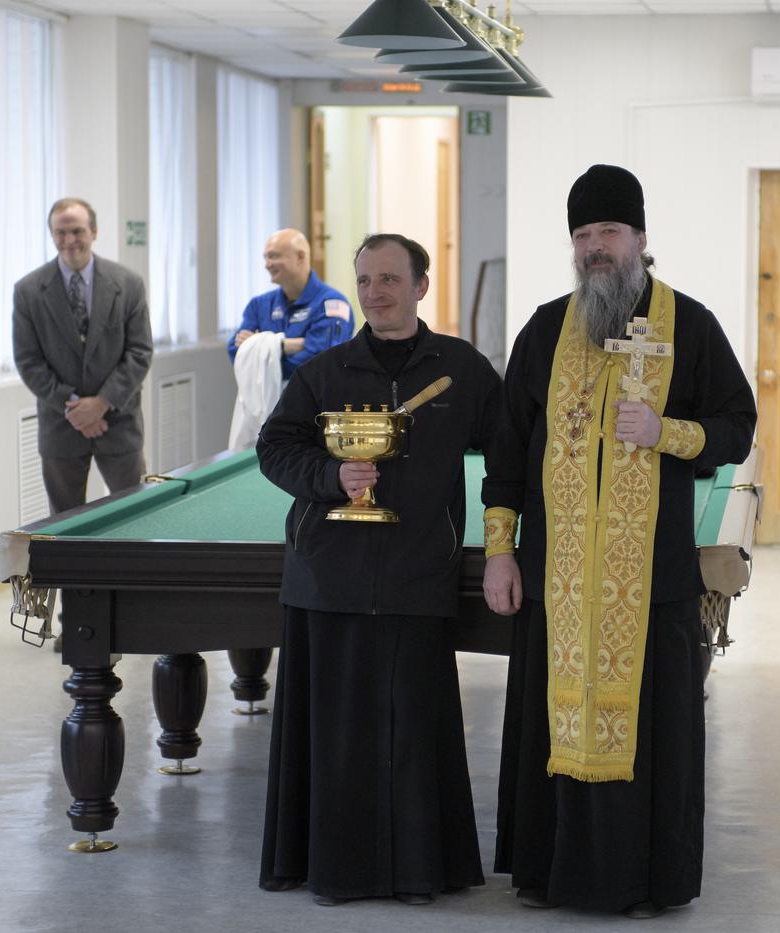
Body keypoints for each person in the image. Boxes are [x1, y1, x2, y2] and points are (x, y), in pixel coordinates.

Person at [482, 164, 756, 918]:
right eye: (582, 235)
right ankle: (547, 873)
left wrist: (667, 433)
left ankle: (645, 881)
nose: (595, 247)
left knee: (655, 736)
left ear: (640, 238)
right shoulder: (544, 328)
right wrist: (499, 551)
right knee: (550, 724)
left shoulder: (690, 324)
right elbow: (507, 453)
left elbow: (738, 423)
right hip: (556, 581)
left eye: (607, 232)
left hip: (653, 583)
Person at [255, 233, 500, 906]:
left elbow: (508, 447)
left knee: (415, 737)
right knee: (335, 742)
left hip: (420, 576)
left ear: (422, 286)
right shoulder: (324, 372)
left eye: (390, 279)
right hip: (326, 579)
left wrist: (504, 540)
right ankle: (333, 873)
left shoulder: (462, 369)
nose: (375, 292)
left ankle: (421, 872)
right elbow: (274, 447)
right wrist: (331, 475)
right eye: (365, 280)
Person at [13, 197, 153, 515]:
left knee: (134, 515)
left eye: (77, 231)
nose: (69, 241)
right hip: (62, 424)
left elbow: (140, 351)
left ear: (94, 231)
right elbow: (28, 360)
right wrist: (75, 407)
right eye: (60, 233)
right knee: (64, 526)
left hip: (118, 422)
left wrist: (101, 403)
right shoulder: (28, 291)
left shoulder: (128, 284)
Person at [228, 228, 354, 380]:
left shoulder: (333, 304)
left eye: (273, 256)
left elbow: (322, 359)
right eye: (265, 257)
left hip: (319, 401)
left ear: (300, 257)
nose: (267, 264)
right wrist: (288, 345)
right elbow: (235, 350)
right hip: (269, 402)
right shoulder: (259, 305)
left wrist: (264, 348)